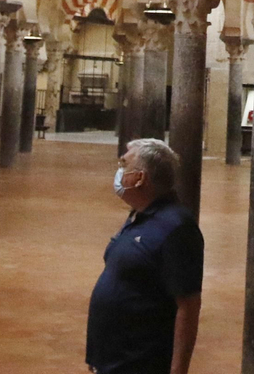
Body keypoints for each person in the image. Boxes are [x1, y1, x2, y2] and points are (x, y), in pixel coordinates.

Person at [86, 138, 204, 374]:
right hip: (113, 360)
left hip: (141, 362)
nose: (118, 172)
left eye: (124, 165)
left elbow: (188, 306)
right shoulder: (138, 216)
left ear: (140, 178)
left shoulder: (176, 228)